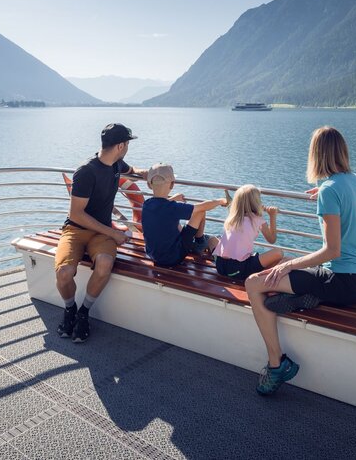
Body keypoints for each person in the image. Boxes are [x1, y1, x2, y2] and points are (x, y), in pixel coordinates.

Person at [245, 126, 356, 395]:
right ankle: (307, 295)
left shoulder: (329, 191)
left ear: (316, 154)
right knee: (289, 266)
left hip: (341, 281)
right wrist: (329, 195)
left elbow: (333, 250)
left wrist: (290, 265)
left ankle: (276, 363)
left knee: (255, 283)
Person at [55, 123, 148, 343]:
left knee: (105, 263)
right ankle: (70, 309)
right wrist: (113, 233)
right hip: (76, 230)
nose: (127, 148)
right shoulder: (86, 172)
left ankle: (84, 313)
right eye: (127, 144)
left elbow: (132, 171)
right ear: (121, 145)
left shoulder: (116, 164)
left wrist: (149, 173)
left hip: (100, 234)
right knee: (64, 273)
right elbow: (76, 214)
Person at [141, 163, 227, 267]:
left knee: (172, 221)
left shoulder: (146, 204)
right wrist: (220, 201)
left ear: (149, 185)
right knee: (200, 211)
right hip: (173, 258)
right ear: (172, 185)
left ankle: (198, 242)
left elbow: (161, 207)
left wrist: (173, 198)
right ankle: (199, 243)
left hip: (154, 255)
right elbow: (201, 207)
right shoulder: (173, 208)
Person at [213, 184, 285, 279]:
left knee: (213, 240)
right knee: (278, 253)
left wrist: (227, 194)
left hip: (220, 266)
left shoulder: (232, 216)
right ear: (256, 202)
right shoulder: (257, 219)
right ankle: (264, 278)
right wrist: (272, 216)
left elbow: (232, 205)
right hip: (238, 270)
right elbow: (272, 240)